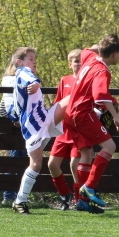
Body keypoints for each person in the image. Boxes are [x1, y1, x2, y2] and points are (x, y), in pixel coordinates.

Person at [63, 34, 119, 214]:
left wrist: (100, 45)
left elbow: (86, 49)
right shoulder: (102, 71)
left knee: (86, 154)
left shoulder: (90, 58)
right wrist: (115, 116)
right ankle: (89, 187)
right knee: (110, 146)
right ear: (114, 54)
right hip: (82, 114)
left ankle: (82, 201)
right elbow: (100, 96)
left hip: (71, 113)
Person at [5, 47, 66, 214]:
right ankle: (19, 201)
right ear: (19, 62)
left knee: (72, 98)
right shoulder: (22, 72)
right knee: (36, 165)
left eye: (34, 59)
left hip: (43, 119)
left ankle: (95, 112)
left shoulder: (21, 76)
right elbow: (30, 80)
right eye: (31, 59)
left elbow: (15, 108)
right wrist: (36, 83)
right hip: (33, 126)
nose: (34, 62)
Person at [48, 49, 82, 210]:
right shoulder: (65, 80)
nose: (79, 63)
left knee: (75, 165)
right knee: (52, 164)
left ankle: (79, 198)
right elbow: (58, 104)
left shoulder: (87, 80)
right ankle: (64, 194)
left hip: (79, 131)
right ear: (70, 64)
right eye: (76, 61)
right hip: (63, 131)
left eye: (81, 60)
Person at [0, 55, 27, 205]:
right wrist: (15, 119)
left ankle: (17, 194)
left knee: (23, 160)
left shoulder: (26, 79)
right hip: (15, 129)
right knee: (15, 159)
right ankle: (9, 194)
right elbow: (3, 109)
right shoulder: (11, 81)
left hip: (24, 128)